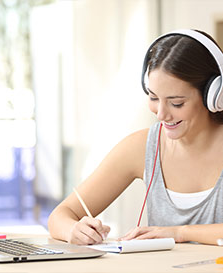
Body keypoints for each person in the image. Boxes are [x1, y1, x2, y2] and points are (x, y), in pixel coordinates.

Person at [48, 29, 223, 246]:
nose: (161, 114)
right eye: (153, 97)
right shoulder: (141, 147)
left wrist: (180, 232)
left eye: (176, 103)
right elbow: (60, 216)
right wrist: (74, 230)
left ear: (214, 95)